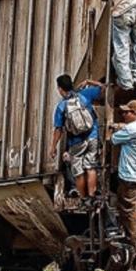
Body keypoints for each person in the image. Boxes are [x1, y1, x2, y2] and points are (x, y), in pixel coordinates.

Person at [49, 75, 105, 208]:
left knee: (78, 172)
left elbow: (58, 129)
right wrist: (88, 81)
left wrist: (53, 147)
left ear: (60, 89)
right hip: (92, 136)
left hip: (76, 142)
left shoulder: (61, 106)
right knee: (90, 167)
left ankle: (84, 199)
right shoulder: (85, 95)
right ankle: (92, 197)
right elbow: (103, 87)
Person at [110, 100, 136, 251]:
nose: (123, 115)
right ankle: (125, 233)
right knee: (125, 204)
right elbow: (130, 127)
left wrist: (115, 128)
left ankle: (131, 242)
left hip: (129, 175)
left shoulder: (131, 130)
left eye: (126, 112)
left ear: (135, 114)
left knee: (128, 209)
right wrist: (122, 126)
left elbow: (113, 139)